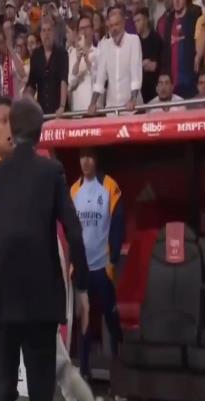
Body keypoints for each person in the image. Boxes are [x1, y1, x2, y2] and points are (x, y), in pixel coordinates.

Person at [0, 96, 103, 401]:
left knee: (3, 396)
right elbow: (74, 232)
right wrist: (82, 288)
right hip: (41, 303)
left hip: (3, 302)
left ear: (12, 129)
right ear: (41, 133)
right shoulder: (51, 172)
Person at [71, 149, 124, 380]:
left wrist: (114, 258)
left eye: (90, 156)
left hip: (103, 268)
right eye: (82, 157)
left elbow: (118, 223)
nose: (85, 161)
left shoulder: (110, 186)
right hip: (82, 269)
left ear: (96, 159)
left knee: (111, 319)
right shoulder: (74, 190)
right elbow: (71, 229)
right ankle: (84, 370)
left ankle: (119, 370)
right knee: (84, 320)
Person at [89, 6, 142, 114]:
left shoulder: (133, 40)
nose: (114, 29)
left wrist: (133, 99)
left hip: (132, 109)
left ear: (123, 23)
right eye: (111, 26)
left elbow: (136, 73)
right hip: (112, 108)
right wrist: (93, 103)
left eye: (117, 24)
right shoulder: (104, 45)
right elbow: (100, 78)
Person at [25, 17, 69, 117]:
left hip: (59, 109)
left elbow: (64, 80)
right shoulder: (36, 55)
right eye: (44, 31)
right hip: (42, 110)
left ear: (54, 33)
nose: (46, 34)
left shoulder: (62, 53)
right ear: (40, 34)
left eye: (49, 30)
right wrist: (29, 105)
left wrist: (62, 106)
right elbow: (31, 83)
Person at [161, 0, 201, 98]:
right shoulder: (168, 20)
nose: (177, 1)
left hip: (191, 82)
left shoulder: (195, 15)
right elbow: (165, 52)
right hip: (174, 85)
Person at [133, 6, 162, 103]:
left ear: (146, 20)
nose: (136, 24)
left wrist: (155, 65)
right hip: (140, 89)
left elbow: (162, 62)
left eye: (138, 20)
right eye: (135, 22)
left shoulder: (156, 39)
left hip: (154, 87)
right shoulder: (135, 41)